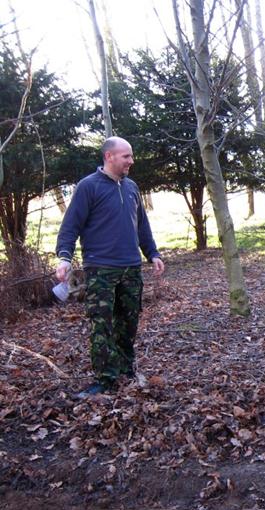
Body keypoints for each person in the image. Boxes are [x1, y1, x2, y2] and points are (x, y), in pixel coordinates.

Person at [55, 137, 165, 399]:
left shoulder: (131, 187)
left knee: (128, 323)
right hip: (100, 270)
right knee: (101, 326)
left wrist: (152, 253)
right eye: (126, 156)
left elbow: (141, 226)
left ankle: (126, 371)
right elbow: (70, 226)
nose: (131, 161)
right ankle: (105, 380)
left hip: (130, 269)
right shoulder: (88, 187)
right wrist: (64, 257)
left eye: (131, 156)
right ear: (109, 157)